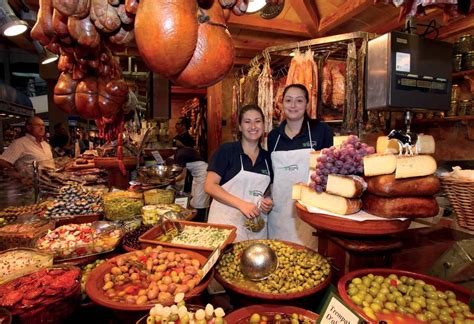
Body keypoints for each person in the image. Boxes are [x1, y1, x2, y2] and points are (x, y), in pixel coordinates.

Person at [267, 84, 333, 249]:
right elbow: (271, 175)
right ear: (282, 104)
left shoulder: (321, 131)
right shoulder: (273, 136)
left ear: (307, 104)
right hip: (279, 212)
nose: (293, 105)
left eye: (299, 100)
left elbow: (330, 173)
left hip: (310, 211)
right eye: (288, 100)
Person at [205, 104, 273, 241]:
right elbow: (210, 186)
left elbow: (266, 191)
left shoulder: (267, 158)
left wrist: (267, 201)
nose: (253, 126)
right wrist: (241, 204)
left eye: (257, 121)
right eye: (247, 122)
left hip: (255, 228)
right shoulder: (227, 151)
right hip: (225, 225)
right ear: (240, 127)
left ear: (263, 125)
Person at [173, 147, 210, 222]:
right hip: (198, 176)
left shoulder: (183, 158)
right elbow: (184, 174)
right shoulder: (188, 155)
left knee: (200, 202)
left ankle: (200, 221)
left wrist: (172, 180)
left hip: (203, 177)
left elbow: (183, 175)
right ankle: (196, 218)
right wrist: (173, 180)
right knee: (194, 200)